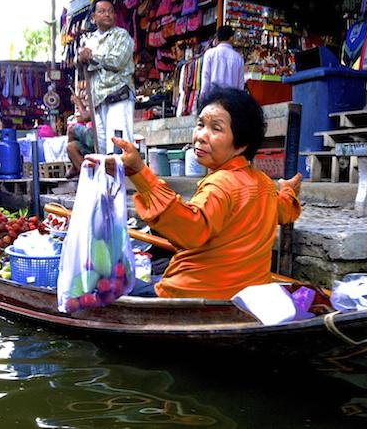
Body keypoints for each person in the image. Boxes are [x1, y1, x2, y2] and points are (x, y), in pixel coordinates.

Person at [90, 86, 302, 299]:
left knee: (100, 284)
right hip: (246, 294)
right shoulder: (264, 183)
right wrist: (288, 190)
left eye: (216, 129)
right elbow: (284, 210)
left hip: (195, 293)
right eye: (200, 124)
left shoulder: (220, 185)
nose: (200, 136)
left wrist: (139, 172)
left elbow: (190, 231)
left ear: (241, 145)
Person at [77, 0, 135, 155]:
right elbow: (81, 66)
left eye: (110, 11)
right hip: (98, 103)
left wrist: (91, 56)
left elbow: (118, 61)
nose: (107, 14)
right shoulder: (89, 40)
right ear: (93, 18)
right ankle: (108, 180)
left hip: (118, 98)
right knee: (102, 150)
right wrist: (80, 57)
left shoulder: (121, 35)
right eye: (102, 11)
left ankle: (122, 180)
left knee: (118, 148)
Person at [199, 25, 245, 98]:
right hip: (231, 100)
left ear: (217, 38)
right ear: (231, 38)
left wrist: (202, 97)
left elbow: (205, 79)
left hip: (213, 98)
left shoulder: (209, 54)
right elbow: (240, 86)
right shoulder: (238, 58)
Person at [65, 91, 95, 178]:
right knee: (70, 147)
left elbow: (86, 116)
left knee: (71, 129)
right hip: (91, 133)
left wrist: (78, 102)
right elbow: (85, 118)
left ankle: (74, 166)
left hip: (94, 137)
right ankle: (86, 176)